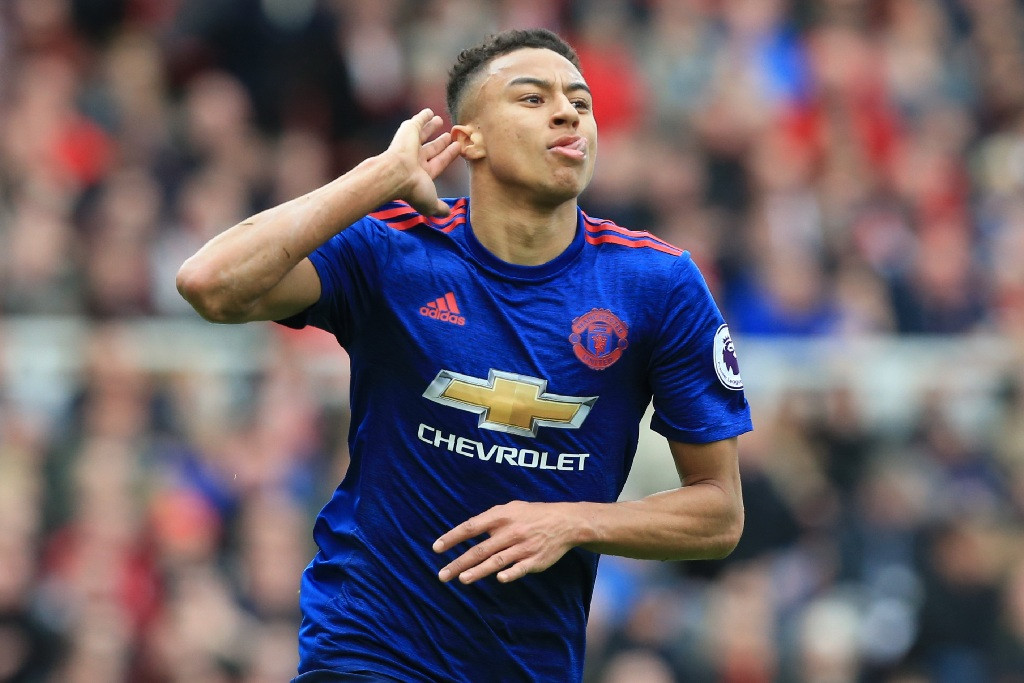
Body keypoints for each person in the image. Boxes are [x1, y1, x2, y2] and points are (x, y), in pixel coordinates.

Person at [177, 27, 752, 683]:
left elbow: (719, 513)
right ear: (467, 139)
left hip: (530, 662)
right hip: (367, 649)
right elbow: (209, 284)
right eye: (533, 98)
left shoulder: (657, 284)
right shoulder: (394, 248)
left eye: (581, 102)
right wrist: (378, 177)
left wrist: (572, 522)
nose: (567, 114)